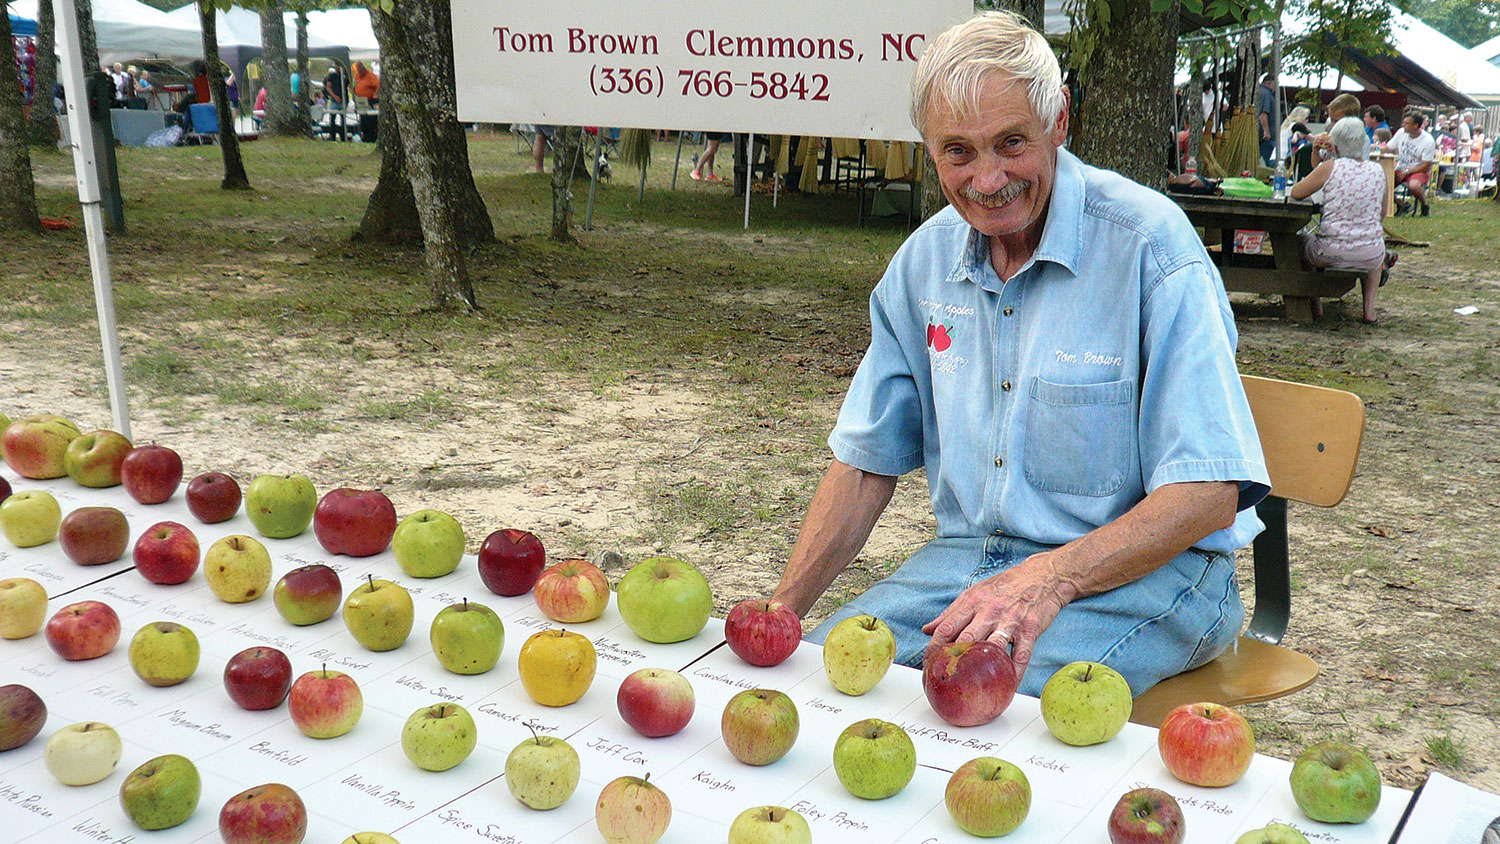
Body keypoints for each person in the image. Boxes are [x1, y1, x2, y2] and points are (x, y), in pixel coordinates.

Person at [772, 11, 1270, 698]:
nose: (986, 180)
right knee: (826, 680)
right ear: (929, 148)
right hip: (968, 564)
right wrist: (781, 617)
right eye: (957, 152)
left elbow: (1209, 494)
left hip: (1155, 573)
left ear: (1058, 120)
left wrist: (1050, 578)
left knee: (989, 707)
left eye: (1011, 143)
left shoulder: (1149, 247)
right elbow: (864, 463)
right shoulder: (923, 265)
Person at [1291, 117, 1391, 324]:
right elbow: (1382, 213)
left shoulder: (1330, 167)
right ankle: (1369, 311)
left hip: (1329, 251)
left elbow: (1297, 192)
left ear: (1334, 145)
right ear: (1364, 143)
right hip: (1370, 255)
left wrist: (1316, 156)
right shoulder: (1378, 171)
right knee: (1375, 244)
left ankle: (1315, 303)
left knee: (1300, 243)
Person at [1393, 112, 1436, 217]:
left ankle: (1425, 205)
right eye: (1404, 122)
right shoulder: (1400, 133)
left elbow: (1426, 165)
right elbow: (1389, 147)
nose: (1404, 125)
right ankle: (1402, 205)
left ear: (1416, 125)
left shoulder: (1428, 140)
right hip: (1400, 168)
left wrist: (1407, 172)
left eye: (1407, 123)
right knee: (1382, 183)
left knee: (1414, 185)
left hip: (1418, 170)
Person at [1312, 93, 1361, 160]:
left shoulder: (1359, 139)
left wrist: (1338, 149)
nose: (1333, 124)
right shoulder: (1332, 134)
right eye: (1331, 120)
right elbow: (1316, 166)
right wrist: (1315, 152)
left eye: (1337, 121)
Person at [1256, 73, 1277, 165]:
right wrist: (1266, 131)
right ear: (1271, 83)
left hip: (1264, 135)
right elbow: (1263, 113)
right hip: (1266, 137)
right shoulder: (1265, 94)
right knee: (1271, 160)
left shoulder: (1262, 93)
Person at [323, 63, 347, 140]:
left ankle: (343, 136)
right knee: (332, 118)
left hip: (344, 100)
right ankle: (332, 136)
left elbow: (350, 86)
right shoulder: (332, 76)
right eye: (337, 66)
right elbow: (328, 87)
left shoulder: (346, 75)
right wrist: (334, 96)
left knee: (343, 119)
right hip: (334, 100)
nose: (338, 68)